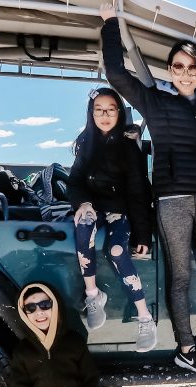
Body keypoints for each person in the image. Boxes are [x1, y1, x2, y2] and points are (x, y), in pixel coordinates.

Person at [100, 2, 196, 374]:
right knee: (181, 277)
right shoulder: (155, 102)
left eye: (192, 68)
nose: (185, 74)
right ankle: (185, 347)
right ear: (170, 71)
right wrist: (110, 22)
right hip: (172, 201)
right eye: (178, 67)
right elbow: (115, 72)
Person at [68, 87, 157, 353]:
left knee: (117, 251)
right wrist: (82, 203)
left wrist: (142, 234)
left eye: (110, 109)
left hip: (121, 210)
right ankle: (94, 295)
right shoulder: (85, 143)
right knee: (83, 226)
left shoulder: (129, 146)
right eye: (99, 110)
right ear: (91, 113)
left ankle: (145, 317)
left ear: (119, 112)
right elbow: (74, 181)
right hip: (94, 207)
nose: (104, 115)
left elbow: (138, 189)